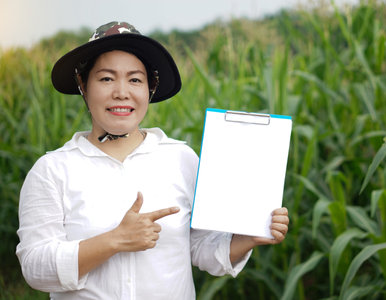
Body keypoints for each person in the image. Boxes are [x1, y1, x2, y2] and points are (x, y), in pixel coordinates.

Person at [16, 21, 289, 299]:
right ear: (84, 87)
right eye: (106, 78)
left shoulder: (181, 159)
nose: (122, 91)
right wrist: (114, 241)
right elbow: (35, 268)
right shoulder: (52, 170)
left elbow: (202, 248)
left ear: (150, 89)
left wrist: (249, 237)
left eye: (135, 79)